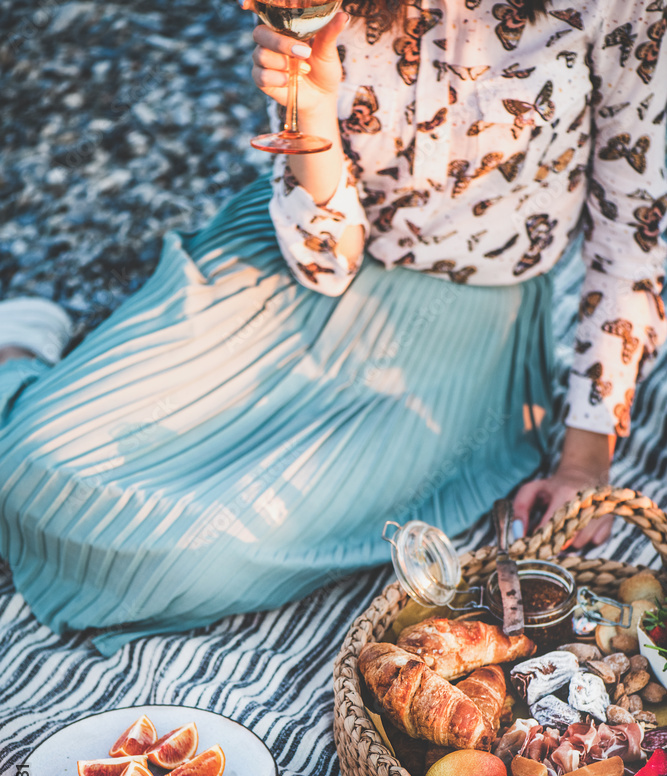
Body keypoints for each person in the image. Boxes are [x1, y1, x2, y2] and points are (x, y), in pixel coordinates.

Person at [0, 0, 665, 654]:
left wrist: (584, 461)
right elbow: (323, 262)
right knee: (27, 474)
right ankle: (20, 354)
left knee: (194, 553)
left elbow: (630, 236)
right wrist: (307, 107)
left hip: (457, 331)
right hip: (285, 266)